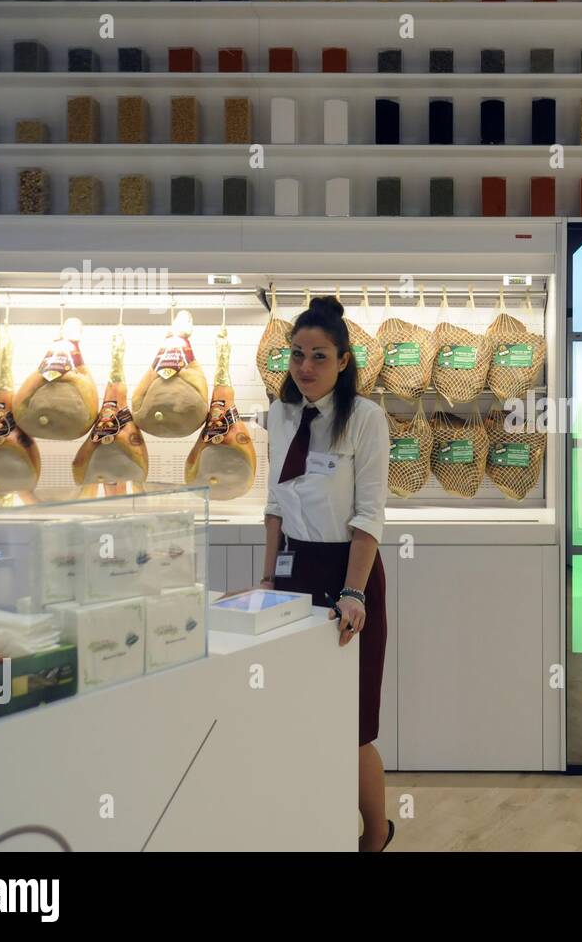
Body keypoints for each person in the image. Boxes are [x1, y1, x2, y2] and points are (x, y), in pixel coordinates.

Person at [260, 295, 393, 852]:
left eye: (319, 356)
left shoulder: (365, 419)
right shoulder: (280, 415)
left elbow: (369, 516)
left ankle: (374, 836)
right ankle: (315, 828)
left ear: (343, 361)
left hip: (348, 574)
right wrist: (267, 580)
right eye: (296, 355)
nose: (306, 367)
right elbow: (272, 507)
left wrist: (354, 592)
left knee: (354, 724)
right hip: (293, 571)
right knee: (299, 716)